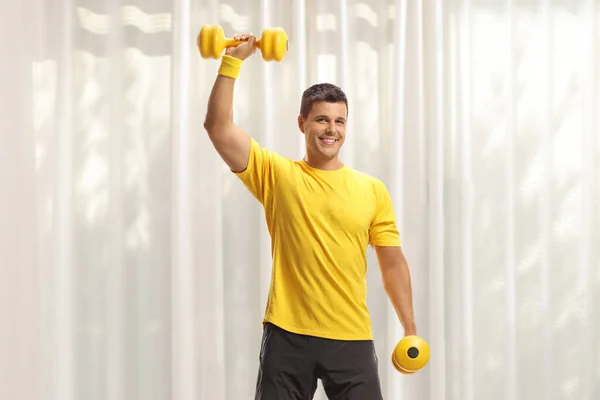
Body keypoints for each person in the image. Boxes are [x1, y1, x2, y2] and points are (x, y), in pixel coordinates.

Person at [203, 32, 418, 400]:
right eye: (321, 120)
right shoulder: (277, 174)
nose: (331, 130)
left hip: (350, 337)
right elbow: (218, 127)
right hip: (288, 335)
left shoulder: (372, 190)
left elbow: (393, 263)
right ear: (302, 123)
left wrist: (410, 328)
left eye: (339, 121)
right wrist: (233, 60)